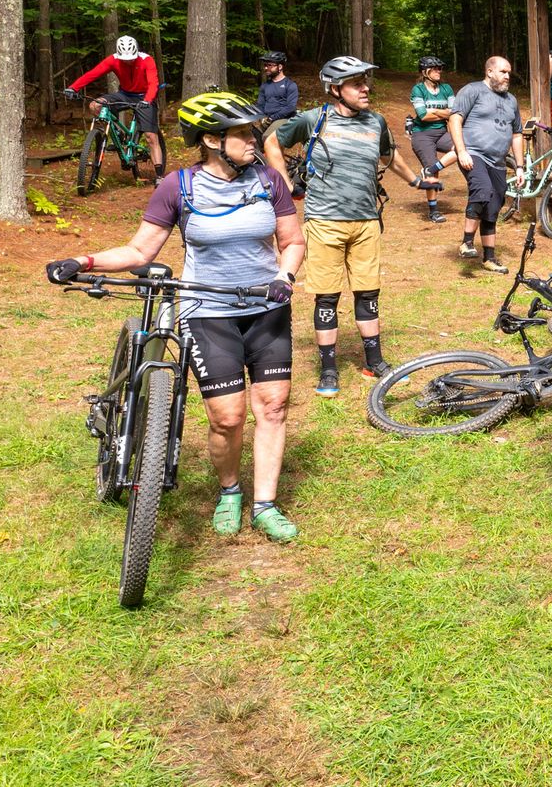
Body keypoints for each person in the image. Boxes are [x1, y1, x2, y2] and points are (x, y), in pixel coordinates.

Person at [45, 92, 305, 541]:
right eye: (242, 133)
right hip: (209, 313)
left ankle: (265, 504)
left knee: (274, 407)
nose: (253, 140)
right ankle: (229, 491)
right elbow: (140, 250)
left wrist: (285, 275)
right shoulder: (178, 186)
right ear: (210, 140)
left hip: (268, 308)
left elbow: (293, 240)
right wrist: (84, 261)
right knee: (226, 416)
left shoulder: (269, 181)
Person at [263, 56, 394, 397]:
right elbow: (273, 142)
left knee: (368, 293)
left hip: (366, 220)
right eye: (356, 84)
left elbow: (386, 156)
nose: (365, 88)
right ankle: (329, 369)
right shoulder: (314, 118)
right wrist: (285, 185)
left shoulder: (376, 121)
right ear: (335, 89)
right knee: (327, 297)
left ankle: (374, 361)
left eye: (366, 82)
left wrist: (415, 178)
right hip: (324, 222)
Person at [448, 56, 528, 272]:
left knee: (494, 205)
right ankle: (466, 243)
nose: (507, 76)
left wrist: (520, 167)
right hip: (474, 153)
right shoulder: (472, 91)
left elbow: (517, 134)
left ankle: (489, 258)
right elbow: (455, 119)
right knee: (482, 190)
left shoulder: (511, 100)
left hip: (498, 161)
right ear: (489, 71)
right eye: (503, 72)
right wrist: (462, 151)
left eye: (509, 72)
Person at [65, 34, 166, 177]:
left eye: (131, 58)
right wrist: (73, 88)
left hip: (144, 96)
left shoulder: (146, 60)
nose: (128, 61)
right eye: (125, 59)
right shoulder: (113, 60)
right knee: (95, 105)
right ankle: (117, 135)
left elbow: (153, 83)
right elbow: (93, 73)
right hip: (124, 94)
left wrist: (148, 100)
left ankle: (159, 176)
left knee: (151, 136)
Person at [406, 56, 457, 223]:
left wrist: (433, 110)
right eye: (434, 69)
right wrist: (442, 113)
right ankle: (433, 211)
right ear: (424, 72)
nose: (438, 71)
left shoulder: (447, 88)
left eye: (440, 68)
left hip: (442, 133)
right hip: (422, 134)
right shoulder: (418, 90)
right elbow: (423, 116)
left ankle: (431, 168)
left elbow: (455, 112)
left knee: (464, 148)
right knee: (433, 171)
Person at [256, 51, 299, 127]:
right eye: (265, 65)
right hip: (266, 119)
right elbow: (260, 105)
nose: (266, 68)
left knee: (267, 137)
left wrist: (272, 118)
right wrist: (260, 117)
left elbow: (291, 107)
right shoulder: (265, 85)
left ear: (280, 67)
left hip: (283, 119)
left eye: (270, 65)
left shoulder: (290, 85)